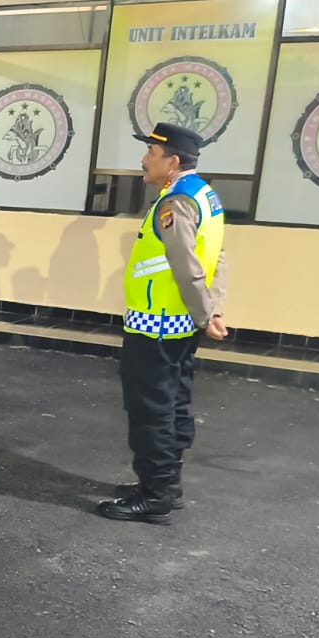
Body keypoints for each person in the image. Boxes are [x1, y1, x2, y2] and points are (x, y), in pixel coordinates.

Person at [98, 122, 229, 524]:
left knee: (151, 409)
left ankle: (154, 496)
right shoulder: (204, 195)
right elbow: (218, 256)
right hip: (179, 325)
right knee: (173, 404)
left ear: (172, 162)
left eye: (151, 154)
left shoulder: (176, 203)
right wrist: (212, 309)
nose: (144, 160)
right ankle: (166, 485)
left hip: (156, 326)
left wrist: (205, 314)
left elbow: (187, 264)